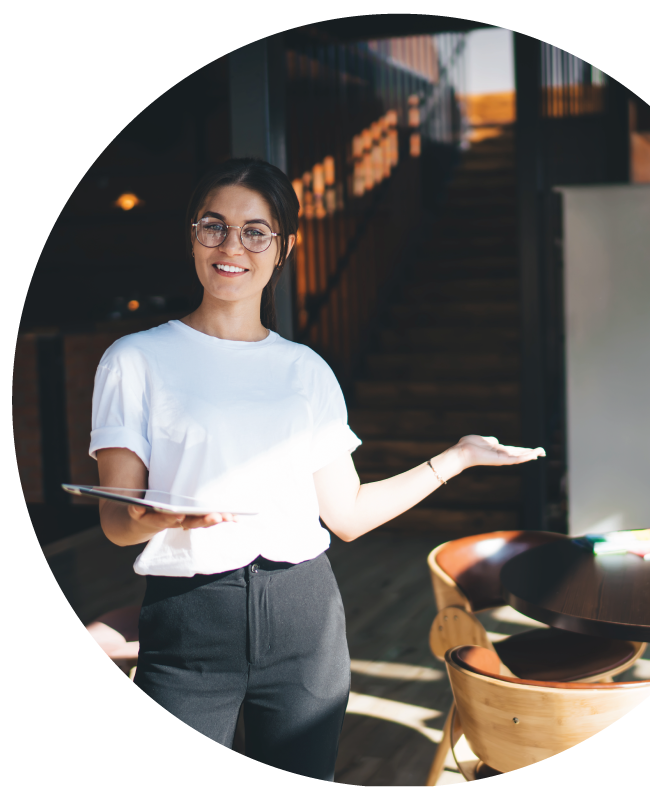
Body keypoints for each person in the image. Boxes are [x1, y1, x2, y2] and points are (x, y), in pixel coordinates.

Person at [92, 157, 544, 781]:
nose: (232, 246)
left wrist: (458, 456)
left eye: (256, 231)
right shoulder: (135, 359)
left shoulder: (305, 370)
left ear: (284, 248)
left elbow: (349, 515)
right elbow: (116, 522)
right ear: (192, 233)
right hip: (188, 617)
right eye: (214, 225)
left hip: (305, 618)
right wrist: (158, 519)